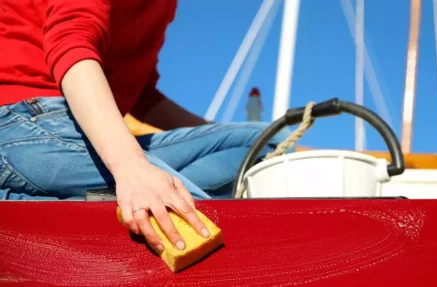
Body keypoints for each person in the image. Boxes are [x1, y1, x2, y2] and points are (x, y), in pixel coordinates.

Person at [0, 1, 290, 254]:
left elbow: (143, 96)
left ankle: (69, 201)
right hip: (22, 120)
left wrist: (211, 135)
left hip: (83, 133)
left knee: (265, 142)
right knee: (200, 224)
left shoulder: (163, 6)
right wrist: (132, 168)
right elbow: (70, 40)